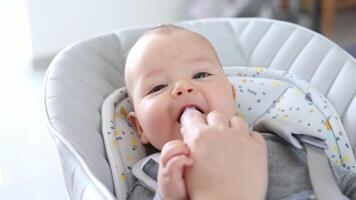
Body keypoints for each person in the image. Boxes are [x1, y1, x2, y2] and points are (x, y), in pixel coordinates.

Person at [124, 24, 356, 200]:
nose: (182, 87)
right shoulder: (153, 179)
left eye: (201, 75)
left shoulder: (280, 144)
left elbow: (346, 184)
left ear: (232, 98)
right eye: (158, 87)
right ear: (140, 127)